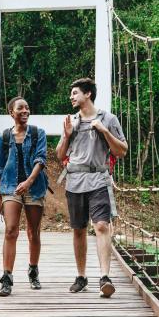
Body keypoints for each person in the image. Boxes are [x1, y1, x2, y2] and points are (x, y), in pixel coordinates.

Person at [55, 78, 127, 298]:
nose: (71, 97)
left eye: (75, 93)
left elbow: (122, 150)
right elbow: (60, 155)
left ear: (88, 94)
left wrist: (105, 131)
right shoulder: (72, 121)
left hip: (98, 180)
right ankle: (81, 276)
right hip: (75, 181)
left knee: (102, 226)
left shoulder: (109, 119)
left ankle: (105, 277)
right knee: (78, 229)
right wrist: (66, 136)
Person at [0, 96, 48, 297]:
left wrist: (29, 182)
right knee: (10, 230)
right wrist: (0, 197)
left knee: (33, 231)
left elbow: (41, 159)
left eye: (27, 107)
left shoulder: (38, 133)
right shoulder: (4, 138)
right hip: (9, 187)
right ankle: (7, 278)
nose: (25, 110)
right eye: (20, 108)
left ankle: (33, 271)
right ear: (11, 113)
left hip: (34, 187)